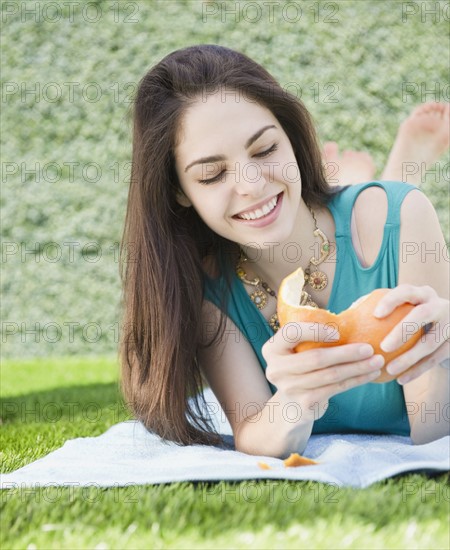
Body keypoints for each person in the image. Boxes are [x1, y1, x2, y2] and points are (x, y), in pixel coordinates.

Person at [119, 44, 449, 458]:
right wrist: (296, 398)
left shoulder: (403, 216)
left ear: (291, 138)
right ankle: (360, 178)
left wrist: (438, 359)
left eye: (265, 150)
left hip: (376, 223)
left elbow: (434, 436)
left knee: (390, 203)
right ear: (178, 192)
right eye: (212, 174)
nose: (252, 184)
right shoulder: (207, 287)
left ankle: (377, 180)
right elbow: (254, 432)